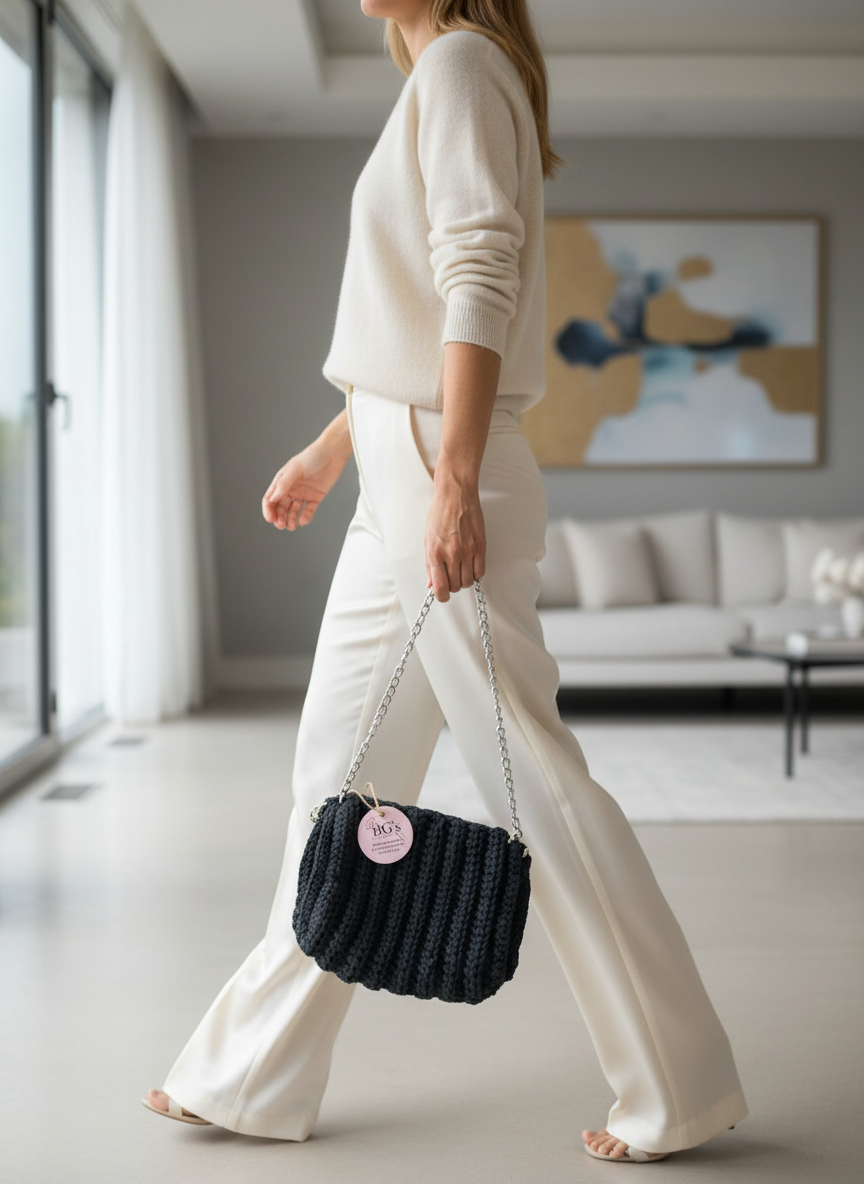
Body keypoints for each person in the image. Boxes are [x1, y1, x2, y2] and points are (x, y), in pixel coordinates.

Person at [143, 0, 748, 1163]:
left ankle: (680, 1082)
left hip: (435, 466)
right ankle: (253, 1073)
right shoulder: (442, 74)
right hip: (397, 466)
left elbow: (482, 274)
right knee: (335, 776)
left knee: (539, 783)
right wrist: (333, 454)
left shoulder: (466, 64)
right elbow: (415, 322)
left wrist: (454, 480)